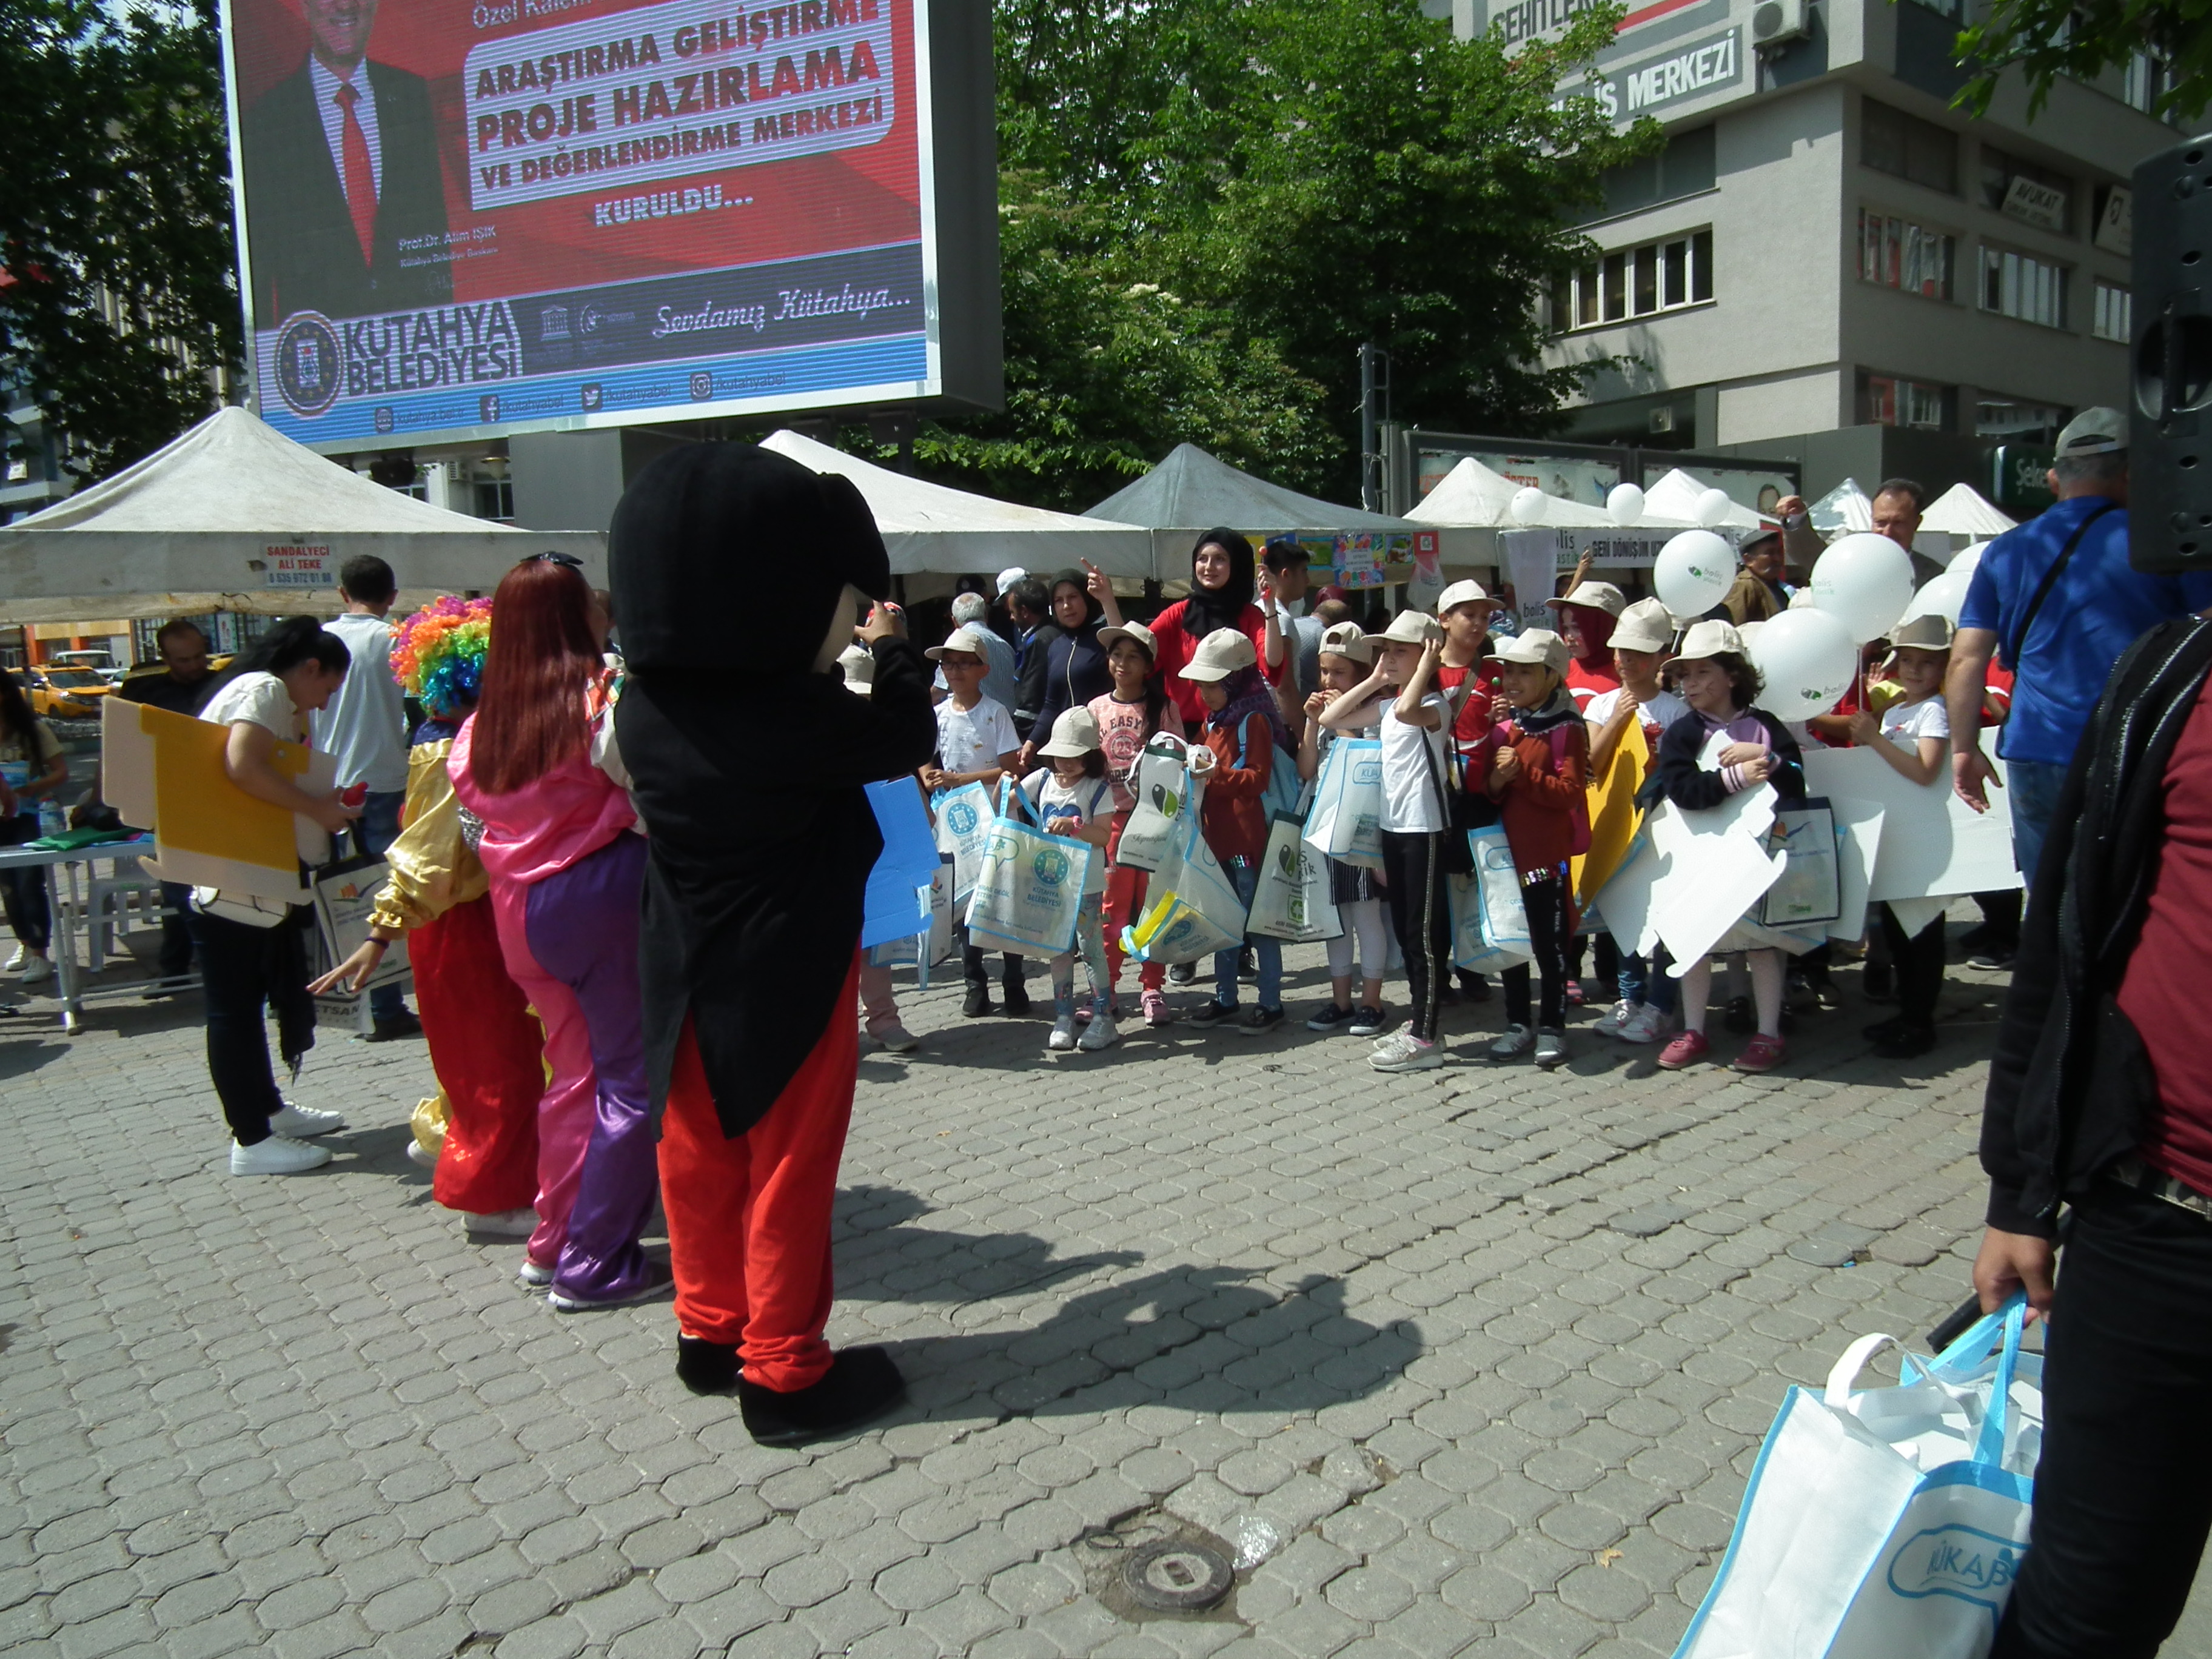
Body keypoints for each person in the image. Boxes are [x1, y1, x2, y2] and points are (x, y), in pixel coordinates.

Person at [611, 442, 935, 1444]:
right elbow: (903, 734)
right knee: (788, 1164)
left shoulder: (645, 706)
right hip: (786, 964)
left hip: (678, 961)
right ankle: (786, 1372)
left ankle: (710, 1332)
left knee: (697, 1151)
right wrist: (894, 646)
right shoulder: (787, 714)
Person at [1971, 611, 2212, 1659]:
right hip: (2154, 1220)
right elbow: (2062, 937)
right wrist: (2018, 1190)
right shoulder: (2174, 672)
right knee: (2080, 1608)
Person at [449, 555, 665, 1314]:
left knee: (574, 1077)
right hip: (601, 895)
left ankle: (556, 1240)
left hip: (521, 910)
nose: (608, 613)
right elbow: (648, 787)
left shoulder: (479, 725)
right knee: (633, 1083)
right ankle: (595, 1262)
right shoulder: (599, 695)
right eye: (595, 604)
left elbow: (473, 822)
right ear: (575, 618)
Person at [309, 597, 543, 1232]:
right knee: (498, 1066)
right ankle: (491, 1200)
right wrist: (380, 931)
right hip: (465, 925)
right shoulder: (448, 751)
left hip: (475, 920)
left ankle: (467, 1154)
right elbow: (429, 861)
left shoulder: (456, 734)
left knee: (500, 1059)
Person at [1949, 406, 2212, 892]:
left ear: (2057, 477)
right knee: (2127, 908)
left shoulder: (2004, 551)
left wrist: (1964, 748)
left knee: (2051, 905)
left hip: (2033, 751)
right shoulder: (2164, 542)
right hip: (2132, 749)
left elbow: (1966, 658)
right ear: (2133, 471)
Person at [185, 618, 359, 1175]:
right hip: (233, 878)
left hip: (249, 877)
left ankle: (267, 1111)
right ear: (311, 668)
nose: (325, 703)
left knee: (248, 1004)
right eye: (327, 689)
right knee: (234, 1009)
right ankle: (252, 1139)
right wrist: (317, 809)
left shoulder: (264, 692)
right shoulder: (265, 690)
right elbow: (243, 765)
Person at [1649, 620, 1807, 1074]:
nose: (1691, 684)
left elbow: (1795, 776)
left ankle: (1769, 1032)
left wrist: (1768, 759)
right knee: (1695, 940)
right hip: (1702, 853)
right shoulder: (1682, 733)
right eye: (1684, 676)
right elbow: (1682, 790)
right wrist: (1732, 778)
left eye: (1702, 673)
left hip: (1759, 855)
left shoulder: (1765, 727)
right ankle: (1694, 1029)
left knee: (1762, 944)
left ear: (1733, 675)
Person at [239, 0, 450, 326]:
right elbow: (262, 265)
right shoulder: (267, 122)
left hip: (417, 343)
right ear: (305, 7)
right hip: (321, 351)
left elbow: (436, 230)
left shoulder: (411, 96)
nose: (345, 5)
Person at [1324, 611, 1453, 1073]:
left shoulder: (1435, 705)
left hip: (1424, 828)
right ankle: (1421, 1021)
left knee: (1422, 938)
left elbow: (1406, 710)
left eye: (1401, 650)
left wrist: (1423, 669)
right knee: (1405, 929)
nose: (1390, 658)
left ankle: (1426, 1036)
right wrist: (1376, 676)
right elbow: (1330, 715)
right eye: (1387, 650)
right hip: (1393, 830)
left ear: (1428, 656)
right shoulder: (1387, 704)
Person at [310, 554, 420, 1040]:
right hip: (385, 779)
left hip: (330, 783)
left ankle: (354, 1002)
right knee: (383, 894)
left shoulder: (321, 641)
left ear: (341, 592)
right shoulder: (394, 640)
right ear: (392, 597)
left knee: (342, 895)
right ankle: (385, 1003)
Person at [1848, 613, 1955, 1059]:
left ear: (1945, 667)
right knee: (1898, 935)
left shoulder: (1934, 710)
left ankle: (1920, 1022)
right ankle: (1907, 1012)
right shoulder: (1896, 711)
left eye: (1925, 663)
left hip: (1922, 841)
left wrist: (1874, 740)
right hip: (1896, 838)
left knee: (1922, 937)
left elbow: (1926, 771)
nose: (1913, 670)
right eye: (1906, 661)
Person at [1583, 597, 1685, 1044]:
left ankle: (1661, 1004)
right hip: (1618, 825)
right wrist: (1620, 718)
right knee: (1625, 913)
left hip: (1665, 826)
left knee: (1664, 917)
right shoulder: (1602, 706)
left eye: (1640, 652)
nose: (1627, 661)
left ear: (1662, 656)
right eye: (1622, 651)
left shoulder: (1677, 712)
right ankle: (1629, 997)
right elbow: (1591, 765)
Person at [1484, 630, 1589, 1068]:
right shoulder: (1505, 728)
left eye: (1524, 671)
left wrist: (1521, 773)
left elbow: (1569, 793)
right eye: (1508, 670)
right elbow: (1489, 792)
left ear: (1551, 676)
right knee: (1511, 944)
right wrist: (1500, 780)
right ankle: (1516, 1023)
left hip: (1545, 859)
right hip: (1506, 859)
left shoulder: (1568, 730)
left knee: (1550, 947)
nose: (1512, 679)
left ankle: (1551, 1026)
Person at [1178, 629, 1290, 1036]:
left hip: (1246, 845)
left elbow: (1257, 780)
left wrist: (1215, 775)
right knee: (1223, 922)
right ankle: (1226, 998)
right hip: (1216, 842)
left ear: (1235, 679)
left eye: (1212, 685)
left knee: (1257, 925)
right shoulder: (1214, 720)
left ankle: (1272, 1003)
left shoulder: (1253, 719)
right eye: (1201, 685)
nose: (1204, 693)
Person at [922, 623, 1027, 1019]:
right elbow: (923, 754)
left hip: (998, 816)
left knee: (1004, 900)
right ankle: (975, 983)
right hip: (959, 822)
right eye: (949, 665)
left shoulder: (994, 712)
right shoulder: (937, 715)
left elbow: (1009, 767)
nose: (956, 672)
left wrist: (957, 779)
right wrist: (929, 778)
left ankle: (1014, 983)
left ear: (983, 669)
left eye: (965, 664)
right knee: (966, 904)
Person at [1087, 619, 1185, 1028]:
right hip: (1111, 822)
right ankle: (1105, 992)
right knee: (1111, 912)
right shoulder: (1095, 709)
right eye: (1117, 655)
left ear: (1149, 666)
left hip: (1153, 823)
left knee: (1152, 907)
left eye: (1133, 657)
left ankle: (1152, 987)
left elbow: (1179, 764)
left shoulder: (1163, 708)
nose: (1123, 664)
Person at [1094, 529, 1287, 729]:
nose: (1209, 567)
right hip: (1182, 731)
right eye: (1202, 559)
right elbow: (1133, 648)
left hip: (1236, 731)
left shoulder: (1250, 616)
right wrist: (1107, 600)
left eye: (1220, 559)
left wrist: (1270, 605)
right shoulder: (1178, 614)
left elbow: (1272, 663)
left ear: (1237, 565)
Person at [112, 621, 220, 977]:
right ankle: (175, 969)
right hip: (169, 804)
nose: (192, 667)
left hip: (218, 801)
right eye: (182, 660)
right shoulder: (148, 695)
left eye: (198, 658)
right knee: (177, 889)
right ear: (165, 658)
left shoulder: (222, 686)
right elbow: (122, 748)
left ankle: (210, 965)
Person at [1300, 623, 1391, 1037]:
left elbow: (1367, 759)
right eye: (1323, 671)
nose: (1328, 681)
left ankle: (1372, 1003)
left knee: (1366, 917)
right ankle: (1341, 1001)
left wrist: (1336, 721)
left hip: (1361, 829)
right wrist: (1311, 722)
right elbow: (1306, 768)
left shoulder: (1375, 711)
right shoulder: (1323, 713)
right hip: (1325, 824)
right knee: (1334, 918)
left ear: (1360, 673)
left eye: (1338, 673)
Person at [1021, 708, 1119, 1052]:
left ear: (1090, 756)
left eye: (1075, 756)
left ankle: (1103, 1018)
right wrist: (1004, 785)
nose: (1065, 763)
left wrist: (1075, 826)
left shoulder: (1097, 789)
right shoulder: (1044, 781)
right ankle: (1063, 1016)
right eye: (1060, 754)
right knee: (1058, 949)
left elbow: (1104, 835)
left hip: (1087, 884)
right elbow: (1011, 798)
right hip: (1051, 882)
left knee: (1091, 949)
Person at [840, 645, 922, 1055]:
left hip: (880, 862)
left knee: (878, 944)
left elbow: (911, 796)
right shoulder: (818, 737)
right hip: (830, 860)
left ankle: (884, 1020)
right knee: (835, 948)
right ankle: (835, 1032)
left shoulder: (882, 739)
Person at [1430, 578, 1501, 1005]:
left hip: (1483, 797)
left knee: (1477, 888)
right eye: (1468, 614)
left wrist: (1504, 720)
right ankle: (1437, 974)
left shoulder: (1497, 671)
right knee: (1436, 892)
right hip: (1436, 797)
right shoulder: (1427, 668)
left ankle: (1475, 967)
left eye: (1484, 616)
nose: (1477, 623)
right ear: (1444, 619)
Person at [0, 672, 69, 985]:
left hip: (30, 816)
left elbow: (61, 773)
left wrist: (32, 787)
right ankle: (27, 944)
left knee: (29, 883)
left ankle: (41, 953)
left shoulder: (34, 731)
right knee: (9, 889)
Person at [1025, 568, 1112, 766]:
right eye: (1059, 600)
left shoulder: (1105, 637)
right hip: (1067, 751)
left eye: (1073, 597)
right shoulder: (1056, 646)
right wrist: (1032, 742)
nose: (1067, 606)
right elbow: (1051, 704)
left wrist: (1107, 598)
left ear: (1087, 599)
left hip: (1102, 747)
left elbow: (1125, 642)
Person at [1262, 537, 1327, 709]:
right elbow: (1285, 688)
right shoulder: (1281, 619)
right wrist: (1302, 734)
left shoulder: (1259, 609)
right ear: (1286, 574)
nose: (1307, 580)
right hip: (1279, 724)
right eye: (1304, 571)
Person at [930, 591, 1017, 714]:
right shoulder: (1006, 647)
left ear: (954, 621)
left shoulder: (956, 645)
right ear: (986, 616)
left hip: (975, 722)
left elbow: (939, 690)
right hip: (1009, 721)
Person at [1546, 580, 1626, 709]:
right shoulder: (1559, 672)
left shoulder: (1627, 674)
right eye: (1566, 628)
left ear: (1604, 626)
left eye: (1578, 628)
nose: (1569, 637)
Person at [1005, 577, 1053, 741]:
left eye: (1012, 612)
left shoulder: (1040, 641)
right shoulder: (1051, 633)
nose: (1011, 618)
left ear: (1024, 612)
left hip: (1037, 736)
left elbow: (1032, 695)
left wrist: (1020, 736)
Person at [1719, 523, 1791, 626]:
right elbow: (1736, 628)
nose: (1778, 558)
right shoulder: (1744, 586)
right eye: (1770, 553)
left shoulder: (1775, 586)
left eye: (1779, 552)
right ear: (1748, 560)